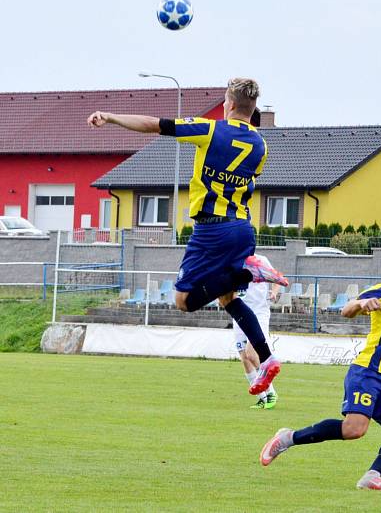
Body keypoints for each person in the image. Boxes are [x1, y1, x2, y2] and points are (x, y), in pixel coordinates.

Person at [87, 78, 287, 395]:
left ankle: (251, 272)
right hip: (242, 228)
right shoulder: (261, 146)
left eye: (224, 100)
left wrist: (110, 117)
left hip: (212, 229)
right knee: (228, 297)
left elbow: (155, 125)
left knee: (183, 301)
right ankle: (267, 357)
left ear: (230, 104)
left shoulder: (210, 130)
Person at [259, 243, 381, 492]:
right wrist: (360, 305)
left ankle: (373, 475)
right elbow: (347, 309)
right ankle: (287, 438)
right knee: (354, 430)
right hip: (366, 372)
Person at [233, 254, 282, 409]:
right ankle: (263, 398)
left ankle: (271, 392)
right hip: (239, 311)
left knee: (251, 353)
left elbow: (277, 277)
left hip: (258, 312)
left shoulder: (260, 260)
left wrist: (274, 292)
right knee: (244, 358)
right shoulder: (230, 259)